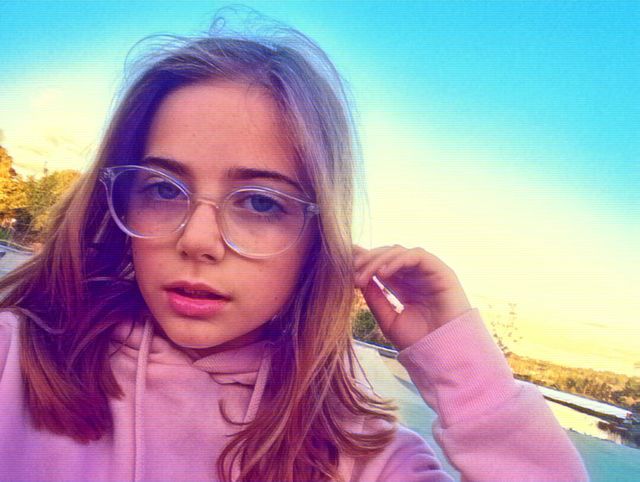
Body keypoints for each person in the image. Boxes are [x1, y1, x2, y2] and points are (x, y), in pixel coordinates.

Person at [0, 7, 588, 482]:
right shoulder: (13, 360)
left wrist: (471, 376)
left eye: (261, 202)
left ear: (318, 238)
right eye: (162, 188)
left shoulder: (365, 461)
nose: (197, 240)